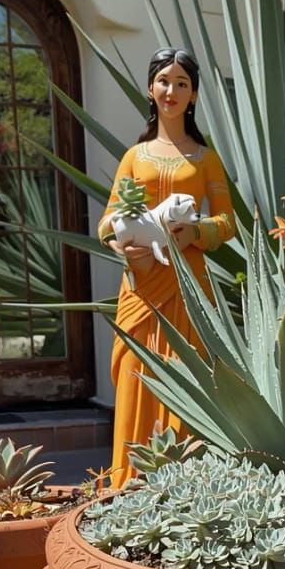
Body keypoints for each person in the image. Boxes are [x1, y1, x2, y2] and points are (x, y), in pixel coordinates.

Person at [99, 47, 235, 488]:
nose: (171, 90)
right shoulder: (134, 157)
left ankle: (184, 486)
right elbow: (108, 219)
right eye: (164, 81)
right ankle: (126, 484)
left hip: (186, 289)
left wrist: (196, 234)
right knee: (136, 379)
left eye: (182, 83)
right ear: (150, 89)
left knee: (185, 380)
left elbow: (228, 222)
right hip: (140, 287)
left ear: (193, 94)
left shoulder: (205, 158)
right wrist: (122, 244)